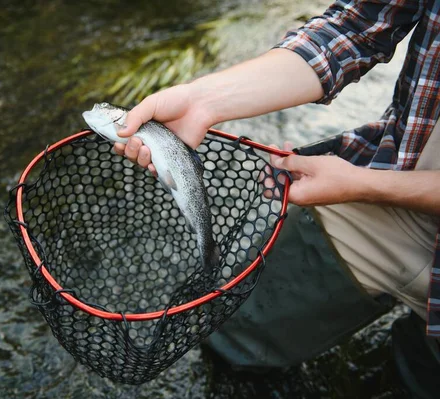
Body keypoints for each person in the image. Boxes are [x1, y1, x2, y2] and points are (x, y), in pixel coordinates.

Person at [113, 0, 439, 396]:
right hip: (393, 176)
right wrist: (202, 100)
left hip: (370, 185)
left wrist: (361, 185)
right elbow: (354, 27)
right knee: (233, 335)